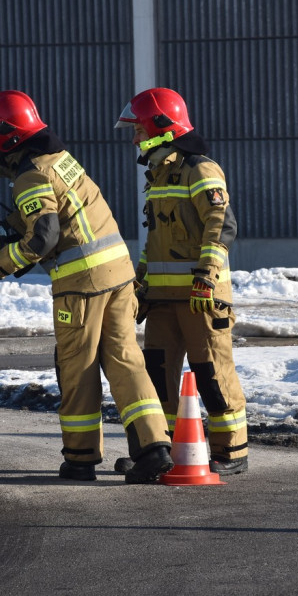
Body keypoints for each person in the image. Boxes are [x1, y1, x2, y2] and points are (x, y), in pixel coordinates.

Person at [0, 90, 173, 483]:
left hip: (80, 284)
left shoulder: (32, 176)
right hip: (118, 275)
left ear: (5, 134)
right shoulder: (56, 159)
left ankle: (81, 458)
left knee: (77, 367)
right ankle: (154, 451)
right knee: (124, 360)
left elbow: (43, 238)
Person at [114, 87, 249, 475]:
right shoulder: (157, 175)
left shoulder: (199, 169)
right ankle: (169, 450)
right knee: (158, 378)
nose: (135, 137)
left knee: (211, 374)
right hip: (162, 300)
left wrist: (207, 276)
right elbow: (155, 240)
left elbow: (221, 223)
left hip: (200, 297)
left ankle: (231, 452)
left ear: (161, 128)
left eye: (138, 129)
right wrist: (139, 283)